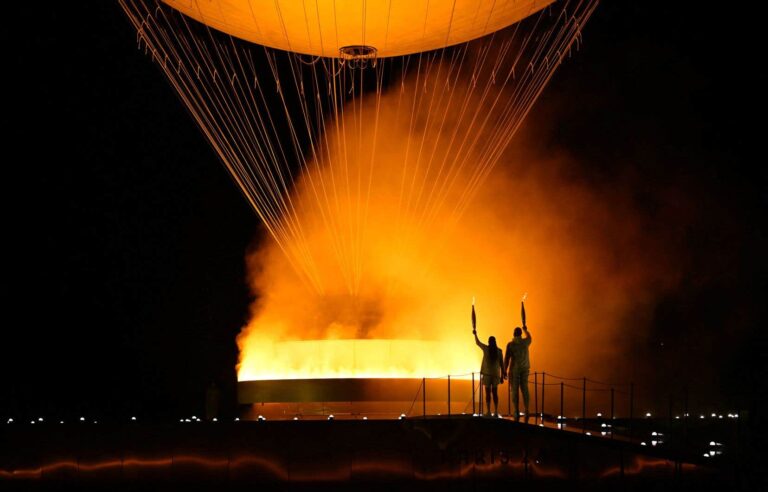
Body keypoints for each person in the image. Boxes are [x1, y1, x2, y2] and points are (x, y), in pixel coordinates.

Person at [505, 324, 532, 422]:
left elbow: (507, 359)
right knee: (525, 389)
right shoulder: (525, 342)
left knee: (514, 390)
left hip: (514, 370)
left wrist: (504, 370)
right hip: (525, 368)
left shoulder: (510, 345)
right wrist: (525, 329)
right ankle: (527, 410)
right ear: (520, 334)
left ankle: (516, 410)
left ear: (513, 334)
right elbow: (529, 337)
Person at [474, 330, 504, 416]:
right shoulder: (499, 351)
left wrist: (475, 334)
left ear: (489, 342)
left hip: (487, 374)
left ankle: (489, 411)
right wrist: (502, 376)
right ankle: (496, 411)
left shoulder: (486, 349)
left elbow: (477, 342)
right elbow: (502, 364)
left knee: (488, 393)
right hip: (495, 375)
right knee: (495, 393)